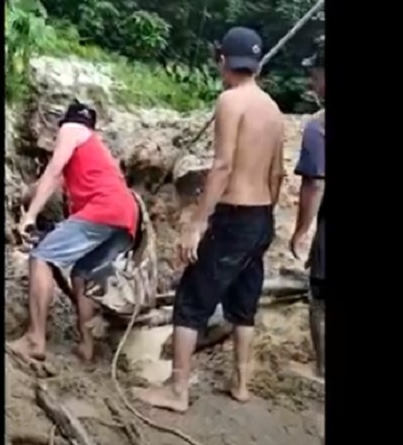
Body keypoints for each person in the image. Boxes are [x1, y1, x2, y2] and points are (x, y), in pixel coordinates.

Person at [134, 26, 285, 412]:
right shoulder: (273, 109)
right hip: (261, 217)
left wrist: (199, 223)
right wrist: (264, 215)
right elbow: (277, 174)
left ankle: (177, 391)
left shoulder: (230, 101)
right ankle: (241, 383)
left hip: (234, 217)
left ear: (223, 60)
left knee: (191, 299)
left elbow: (221, 167)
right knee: (244, 301)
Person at [8, 101, 139, 363]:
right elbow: (50, 182)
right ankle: (87, 346)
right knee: (82, 273)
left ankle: (34, 339)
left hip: (104, 210)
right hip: (127, 219)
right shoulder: (94, 149)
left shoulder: (70, 130)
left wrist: (30, 216)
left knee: (41, 258)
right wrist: (27, 198)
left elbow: (53, 172)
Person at [288, 54, 326, 378]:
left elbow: (314, 184)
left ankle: (323, 368)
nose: (311, 84)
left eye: (314, 76)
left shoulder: (318, 127)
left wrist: (301, 230)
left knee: (320, 298)